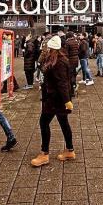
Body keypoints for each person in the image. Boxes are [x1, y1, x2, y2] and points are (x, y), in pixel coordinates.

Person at [31, 36, 75, 167]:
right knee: (63, 123)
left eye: (47, 47)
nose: (45, 49)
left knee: (44, 123)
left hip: (55, 99)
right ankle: (70, 150)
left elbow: (62, 83)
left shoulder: (59, 62)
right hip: (56, 98)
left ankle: (44, 154)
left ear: (52, 48)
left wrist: (67, 101)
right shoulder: (56, 59)